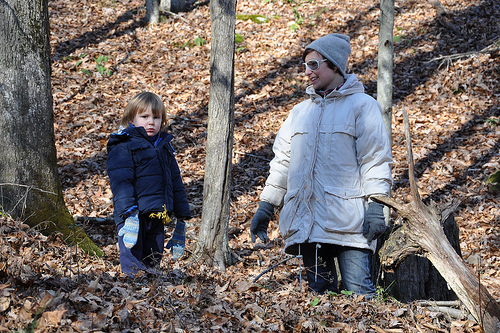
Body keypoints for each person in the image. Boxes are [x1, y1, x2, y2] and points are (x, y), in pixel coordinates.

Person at [250, 34, 393, 295]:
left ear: (335, 65)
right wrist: (266, 205)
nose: (307, 72)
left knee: (359, 294)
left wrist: (376, 205)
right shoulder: (299, 113)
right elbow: (282, 162)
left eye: (314, 65)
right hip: (307, 225)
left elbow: (375, 159)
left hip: (350, 225)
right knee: (321, 295)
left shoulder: (363, 106)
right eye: (305, 66)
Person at [107, 91, 191, 276]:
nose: (151, 122)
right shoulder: (124, 145)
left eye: (156, 117)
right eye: (144, 117)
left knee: (154, 253)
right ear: (131, 118)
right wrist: (129, 211)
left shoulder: (164, 147)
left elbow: (175, 182)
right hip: (133, 215)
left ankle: (152, 287)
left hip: (157, 213)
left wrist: (182, 216)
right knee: (131, 253)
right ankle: (133, 287)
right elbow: (121, 181)